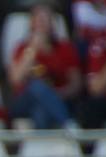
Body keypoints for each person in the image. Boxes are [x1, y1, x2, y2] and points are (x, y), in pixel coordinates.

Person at [6, 2, 81, 130]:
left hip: (59, 98)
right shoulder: (22, 48)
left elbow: (76, 83)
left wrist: (58, 94)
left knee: (41, 111)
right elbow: (15, 79)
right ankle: (68, 123)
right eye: (38, 19)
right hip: (25, 100)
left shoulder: (64, 48)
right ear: (31, 23)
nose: (42, 24)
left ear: (53, 23)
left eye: (46, 19)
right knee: (37, 85)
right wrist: (33, 50)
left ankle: (39, 148)